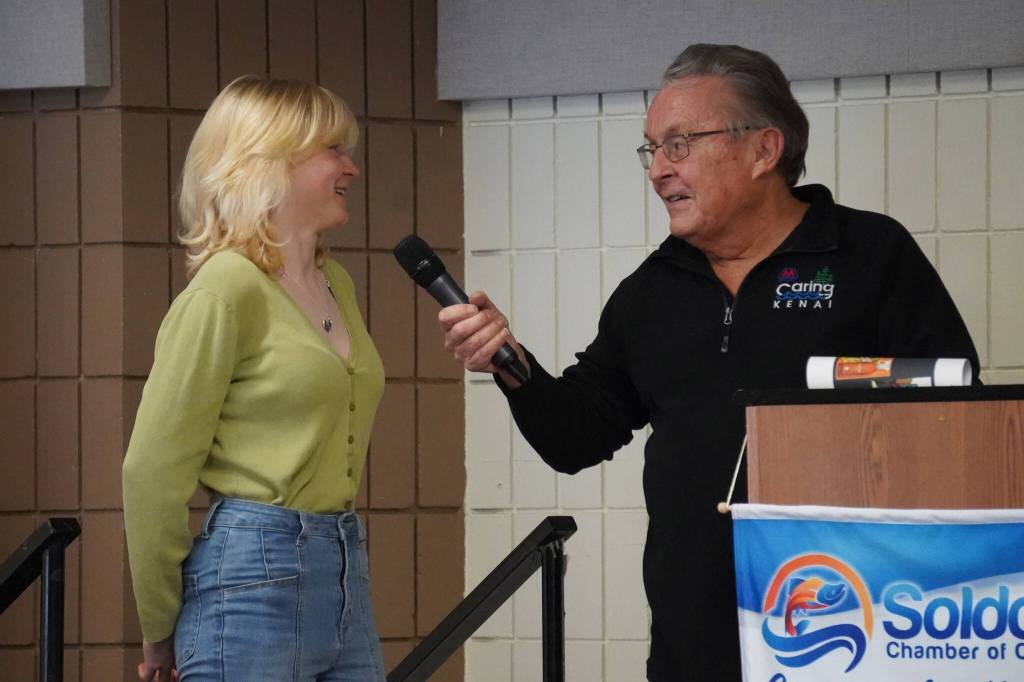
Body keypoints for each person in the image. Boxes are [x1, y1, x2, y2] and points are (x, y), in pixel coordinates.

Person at [439, 44, 980, 680]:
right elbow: (577, 435)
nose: (659, 170)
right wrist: (509, 361)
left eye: (679, 144)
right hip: (693, 646)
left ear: (763, 150)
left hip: (856, 631)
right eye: (652, 150)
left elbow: (957, 416)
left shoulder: (869, 255)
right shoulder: (654, 289)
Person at [122, 76, 386, 682]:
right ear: (269, 161)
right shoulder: (224, 289)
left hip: (344, 565)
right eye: (333, 151)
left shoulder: (336, 284)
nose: (352, 168)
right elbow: (152, 472)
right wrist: (159, 625)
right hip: (250, 572)